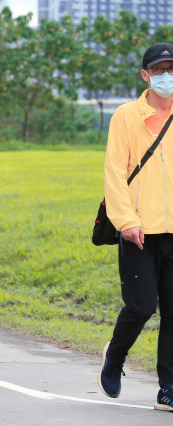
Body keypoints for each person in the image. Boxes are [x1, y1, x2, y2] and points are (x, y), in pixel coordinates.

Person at [102, 42, 173, 411]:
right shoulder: (126, 116)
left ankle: (168, 387)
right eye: (159, 70)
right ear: (146, 75)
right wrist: (126, 220)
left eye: (172, 69)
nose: (167, 76)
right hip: (139, 230)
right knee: (142, 306)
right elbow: (114, 172)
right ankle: (115, 356)